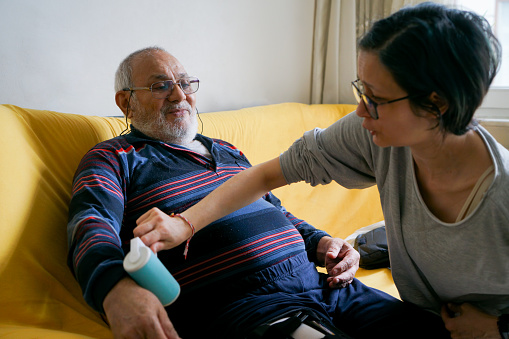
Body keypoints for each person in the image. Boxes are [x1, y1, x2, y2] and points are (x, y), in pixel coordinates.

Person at [137, 3, 509, 339]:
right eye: (361, 90)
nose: (361, 110)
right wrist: (184, 224)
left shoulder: (502, 194)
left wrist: (496, 326)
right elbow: (264, 176)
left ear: (436, 105)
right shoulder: (375, 136)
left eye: (376, 99)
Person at [67, 46, 451, 339]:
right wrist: (114, 289)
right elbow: (89, 227)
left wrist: (325, 244)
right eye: (160, 85)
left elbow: (279, 214)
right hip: (246, 306)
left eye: (184, 83)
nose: (179, 94)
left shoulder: (227, 150)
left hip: (324, 285)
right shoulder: (115, 157)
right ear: (125, 102)